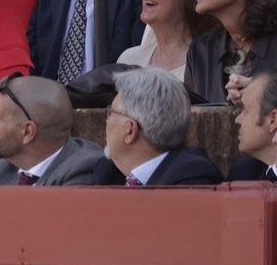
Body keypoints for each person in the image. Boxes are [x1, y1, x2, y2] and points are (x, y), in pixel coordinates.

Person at [94, 65, 224, 185]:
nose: (107, 121)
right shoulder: (109, 172)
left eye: (111, 112)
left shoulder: (192, 181)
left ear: (130, 130)